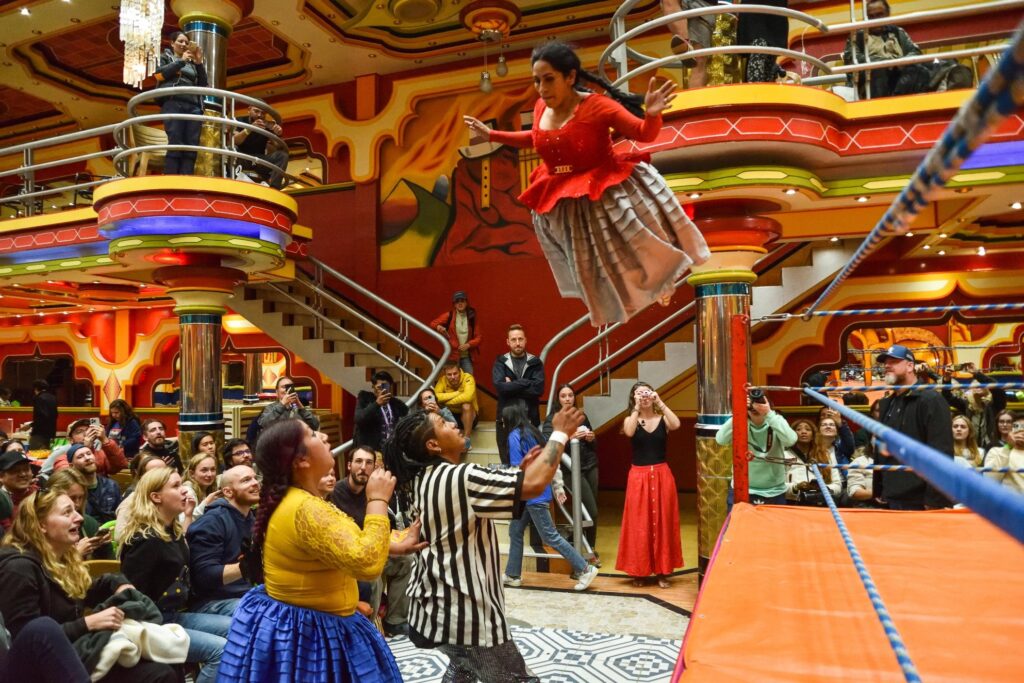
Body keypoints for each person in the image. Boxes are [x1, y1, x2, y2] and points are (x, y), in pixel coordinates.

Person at [464, 41, 709, 326]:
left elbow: (644, 133)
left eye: (548, 79)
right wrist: (492, 135)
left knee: (639, 252)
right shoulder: (542, 106)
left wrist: (652, 113)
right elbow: (534, 138)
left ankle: (663, 283)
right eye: (536, 81)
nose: (541, 89)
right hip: (567, 200)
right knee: (595, 272)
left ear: (570, 77)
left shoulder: (598, 106)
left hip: (605, 191)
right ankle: (636, 298)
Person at [384, 404, 585, 682]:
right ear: (433, 445)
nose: (453, 423)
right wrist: (560, 433)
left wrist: (518, 480)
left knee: (462, 669)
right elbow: (535, 484)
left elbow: (521, 485)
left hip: (431, 611)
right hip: (467, 615)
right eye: (443, 424)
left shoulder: (420, 479)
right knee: (515, 678)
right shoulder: (460, 477)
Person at [218, 420, 407, 682]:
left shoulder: (298, 499)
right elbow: (367, 565)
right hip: (314, 631)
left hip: (298, 621)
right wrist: (377, 500)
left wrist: (392, 543)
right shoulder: (306, 508)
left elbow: (337, 546)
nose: (325, 437)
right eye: (312, 435)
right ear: (301, 460)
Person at [0, 489, 179, 682]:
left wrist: (120, 584)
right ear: (41, 524)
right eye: (67, 512)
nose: (78, 518)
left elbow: (88, 588)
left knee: (168, 660)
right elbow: (27, 640)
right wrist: (88, 623)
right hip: (40, 670)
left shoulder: (59, 558)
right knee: (159, 673)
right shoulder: (18, 568)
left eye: (76, 511)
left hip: (74, 651)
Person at [119, 468, 227, 683]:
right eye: (176, 486)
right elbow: (131, 596)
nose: (185, 491)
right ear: (156, 497)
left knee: (235, 626)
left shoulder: (172, 530)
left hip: (174, 614)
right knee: (221, 652)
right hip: (151, 623)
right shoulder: (146, 540)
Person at [330, 444, 425, 638]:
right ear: (349, 466)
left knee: (407, 561)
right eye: (358, 462)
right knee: (371, 574)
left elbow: (383, 533)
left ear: (375, 468)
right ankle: (369, 629)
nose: (363, 467)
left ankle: (395, 620)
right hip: (350, 558)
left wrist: (403, 545)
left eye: (368, 463)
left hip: (373, 549)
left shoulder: (376, 492)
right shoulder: (335, 493)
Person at [503, 404, 598, 592]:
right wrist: (558, 486)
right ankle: (513, 574)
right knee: (515, 530)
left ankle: (585, 569)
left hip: (530, 495)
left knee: (550, 536)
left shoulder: (514, 436)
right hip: (537, 492)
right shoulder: (533, 434)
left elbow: (517, 469)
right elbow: (550, 462)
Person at [873, 345, 955, 510]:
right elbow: (882, 448)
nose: (887, 366)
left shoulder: (931, 400)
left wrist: (934, 500)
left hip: (920, 499)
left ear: (910, 366)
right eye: (885, 362)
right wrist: (879, 488)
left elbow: (941, 451)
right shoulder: (887, 403)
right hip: (891, 496)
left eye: (894, 361)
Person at [618, 382, 683, 588]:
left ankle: (663, 571)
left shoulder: (662, 419)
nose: (644, 396)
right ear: (633, 397)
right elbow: (628, 432)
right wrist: (637, 407)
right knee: (639, 524)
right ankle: (640, 571)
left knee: (664, 522)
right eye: (639, 393)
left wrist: (659, 401)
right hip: (639, 476)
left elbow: (676, 424)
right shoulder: (631, 419)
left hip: (662, 474)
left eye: (646, 392)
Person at [843, 0, 971, 99]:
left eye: (879, 15)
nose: (875, 19)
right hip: (875, 82)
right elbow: (854, 61)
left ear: (887, 15)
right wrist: (888, 64)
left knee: (944, 62)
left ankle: (951, 94)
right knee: (881, 71)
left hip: (904, 74)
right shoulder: (857, 36)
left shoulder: (897, 32)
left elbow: (915, 53)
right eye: (871, 16)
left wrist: (901, 63)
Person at [186, 465, 260, 616]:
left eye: (255, 478)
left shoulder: (252, 518)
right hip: (213, 602)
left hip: (247, 594)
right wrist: (249, 566)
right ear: (227, 491)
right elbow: (204, 576)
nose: (255, 483)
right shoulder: (211, 522)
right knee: (267, 613)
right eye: (246, 480)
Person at [541, 383, 600, 560]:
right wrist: (569, 437)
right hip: (569, 470)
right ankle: (581, 549)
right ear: (558, 399)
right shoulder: (552, 419)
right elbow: (548, 445)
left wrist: (591, 437)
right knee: (590, 510)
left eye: (570, 395)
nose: (568, 399)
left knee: (591, 510)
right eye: (563, 396)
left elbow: (594, 444)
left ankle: (589, 548)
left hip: (590, 465)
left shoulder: (581, 415)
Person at [716, 390, 797, 506]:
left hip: (774, 491)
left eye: (758, 402)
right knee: (740, 525)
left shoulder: (776, 420)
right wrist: (739, 412)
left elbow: (791, 440)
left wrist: (768, 413)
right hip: (742, 488)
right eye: (751, 403)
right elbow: (721, 439)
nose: (755, 406)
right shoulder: (739, 423)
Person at [154, 30, 208, 176]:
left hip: (194, 106)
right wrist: (181, 62)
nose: (184, 44)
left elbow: (203, 85)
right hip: (173, 102)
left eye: (186, 42)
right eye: (180, 41)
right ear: (172, 43)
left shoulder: (192, 63)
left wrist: (198, 62)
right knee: (176, 140)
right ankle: (171, 178)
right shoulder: (165, 57)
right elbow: (159, 75)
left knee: (191, 144)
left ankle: (186, 178)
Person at [493, 324, 545, 465]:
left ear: (525, 340)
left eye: (520, 339)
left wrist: (512, 385)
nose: (517, 343)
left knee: (534, 463)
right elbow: (501, 388)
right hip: (505, 420)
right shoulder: (500, 362)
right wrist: (526, 382)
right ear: (508, 342)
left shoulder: (535, 362)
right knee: (508, 463)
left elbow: (538, 389)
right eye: (514, 339)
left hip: (531, 419)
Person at [46, 468, 113, 560]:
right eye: (72, 498)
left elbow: (111, 566)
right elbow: (48, 571)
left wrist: (104, 545)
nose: (77, 504)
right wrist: (76, 554)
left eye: (80, 497)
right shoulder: (47, 530)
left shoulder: (89, 524)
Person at [941, 362, 1007, 451]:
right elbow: (947, 397)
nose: (978, 387)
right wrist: (947, 379)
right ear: (971, 389)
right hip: (970, 448)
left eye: (981, 384)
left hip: (991, 448)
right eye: (975, 386)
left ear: (987, 388)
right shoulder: (967, 404)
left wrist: (976, 374)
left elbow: (998, 390)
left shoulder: (994, 404)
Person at [44, 418, 129, 478]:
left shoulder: (100, 453)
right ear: (71, 440)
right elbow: (68, 480)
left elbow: (121, 465)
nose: (86, 434)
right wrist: (84, 448)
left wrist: (105, 440)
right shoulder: (63, 456)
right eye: (79, 432)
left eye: (88, 429)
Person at [785, 417, 842, 505]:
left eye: (808, 429)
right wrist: (795, 487)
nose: (803, 432)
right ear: (792, 434)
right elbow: (776, 486)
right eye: (798, 429)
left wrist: (823, 488)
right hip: (792, 502)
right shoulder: (783, 455)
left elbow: (837, 486)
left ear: (813, 435)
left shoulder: (826, 455)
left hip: (821, 503)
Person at [250, 376, 320, 446]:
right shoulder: (271, 408)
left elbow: (315, 425)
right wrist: (282, 404)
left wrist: (299, 405)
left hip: (299, 446)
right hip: (277, 446)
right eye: (283, 387)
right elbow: (263, 424)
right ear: (277, 392)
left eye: (290, 386)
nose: (287, 389)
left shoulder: (298, 408)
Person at [232, 104, 288, 188]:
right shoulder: (240, 120)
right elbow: (235, 141)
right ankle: (232, 180)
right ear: (249, 110)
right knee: (232, 150)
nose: (259, 115)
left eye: (263, 113)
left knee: (282, 156)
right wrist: (249, 129)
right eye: (256, 111)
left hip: (259, 160)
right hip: (242, 157)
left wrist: (277, 134)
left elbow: (279, 147)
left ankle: (274, 188)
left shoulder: (267, 124)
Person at [662, 0, 714, 89]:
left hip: (701, 3)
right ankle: (685, 43)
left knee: (698, 61)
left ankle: (697, 100)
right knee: (668, 1)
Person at [354, 370, 409, 453]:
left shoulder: (394, 402)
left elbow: (405, 411)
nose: (382, 390)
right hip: (371, 450)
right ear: (373, 387)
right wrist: (377, 403)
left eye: (385, 386)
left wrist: (390, 398)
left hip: (390, 451)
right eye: (379, 387)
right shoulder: (365, 398)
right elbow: (359, 418)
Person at [66, 443, 121, 524]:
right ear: (71, 466)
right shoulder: (72, 491)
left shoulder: (111, 485)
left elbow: (120, 514)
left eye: (89, 453)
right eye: (80, 457)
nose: (87, 458)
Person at [430, 290, 482, 375]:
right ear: (454, 304)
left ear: (466, 303)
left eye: (462, 301)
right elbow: (433, 323)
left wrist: (469, 344)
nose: (460, 303)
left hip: (466, 357)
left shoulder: (472, 317)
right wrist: (438, 327)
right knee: (452, 380)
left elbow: (479, 337)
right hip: (452, 356)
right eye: (457, 302)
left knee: (469, 379)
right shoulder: (449, 315)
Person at [434, 361, 479, 445]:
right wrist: (458, 393)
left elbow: (467, 397)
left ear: (460, 372)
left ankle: (466, 441)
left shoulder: (468, 378)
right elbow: (436, 397)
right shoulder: (442, 380)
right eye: (449, 374)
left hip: (469, 417)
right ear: (445, 374)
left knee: (466, 405)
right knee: (435, 406)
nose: (453, 377)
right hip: (451, 416)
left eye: (455, 373)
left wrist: (446, 401)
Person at [983, 413, 1024, 493]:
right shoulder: (996, 451)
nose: (1021, 431)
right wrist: (1008, 447)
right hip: (1011, 503)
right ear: (1011, 431)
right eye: (1017, 427)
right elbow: (990, 480)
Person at [0, 449, 39, 533]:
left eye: (26, 469)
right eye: (16, 471)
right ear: (1, 476)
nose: (23, 474)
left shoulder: (39, 493)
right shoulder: (2, 503)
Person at [183, 452, 220, 519]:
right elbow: (185, 520)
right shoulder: (187, 490)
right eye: (204, 470)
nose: (210, 474)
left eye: (213, 469)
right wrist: (206, 502)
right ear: (192, 474)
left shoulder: (210, 488)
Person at [29, 379, 57, 451]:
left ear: (36, 388)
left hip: (39, 433)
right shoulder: (52, 397)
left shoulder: (39, 398)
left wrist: (31, 425)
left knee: (34, 453)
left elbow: (41, 416)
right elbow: (56, 414)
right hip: (51, 432)